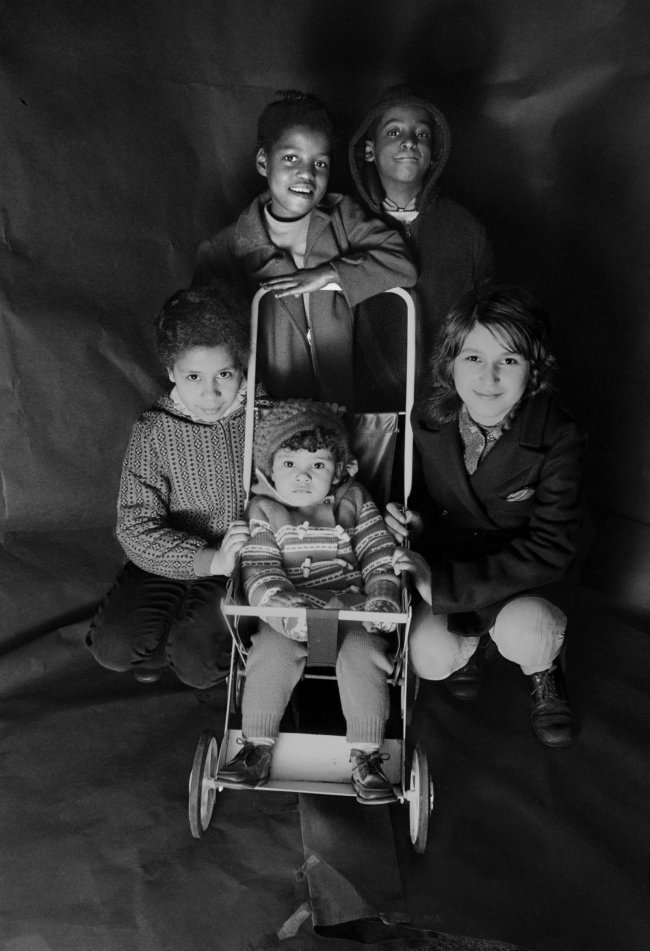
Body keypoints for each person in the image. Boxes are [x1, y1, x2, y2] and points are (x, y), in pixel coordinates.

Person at [389, 285, 586, 748]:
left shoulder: (558, 435)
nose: (489, 376)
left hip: (521, 578)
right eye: (474, 358)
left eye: (509, 361)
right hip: (451, 562)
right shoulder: (428, 415)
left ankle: (545, 669)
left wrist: (442, 589)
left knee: (530, 632)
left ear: (533, 370)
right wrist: (411, 521)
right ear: (451, 362)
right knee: (430, 657)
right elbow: (421, 497)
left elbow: (553, 547)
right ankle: (473, 646)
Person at [218, 400, 402, 803]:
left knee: (364, 655)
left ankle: (367, 756)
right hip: (287, 614)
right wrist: (286, 613)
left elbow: (377, 551)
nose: (303, 477)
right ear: (269, 469)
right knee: (268, 653)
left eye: (317, 466)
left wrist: (382, 597)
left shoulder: (353, 499)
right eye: (289, 466)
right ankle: (256, 746)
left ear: (337, 469)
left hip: (351, 610)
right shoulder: (263, 509)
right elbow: (261, 571)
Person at [86, 283, 269, 689]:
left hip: (237, 566)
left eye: (224, 374)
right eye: (193, 376)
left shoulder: (267, 418)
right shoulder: (154, 429)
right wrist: (206, 560)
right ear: (172, 373)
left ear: (243, 367)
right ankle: (167, 643)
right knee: (113, 648)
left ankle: (202, 649)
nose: (210, 393)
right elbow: (134, 527)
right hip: (174, 560)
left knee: (198, 665)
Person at [193, 90, 417, 408]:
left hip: (342, 412)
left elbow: (403, 265)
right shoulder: (223, 251)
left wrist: (326, 275)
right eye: (291, 158)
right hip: (268, 421)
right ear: (262, 162)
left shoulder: (342, 215)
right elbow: (208, 349)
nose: (307, 173)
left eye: (320, 163)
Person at [348, 83, 493, 405]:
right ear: (369, 149)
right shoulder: (344, 224)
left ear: (435, 154)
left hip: (447, 402)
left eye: (422, 135)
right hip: (362, 405)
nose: (409, 142)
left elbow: (487, 325)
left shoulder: (464, 229)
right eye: (394, 132)